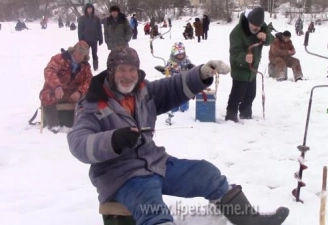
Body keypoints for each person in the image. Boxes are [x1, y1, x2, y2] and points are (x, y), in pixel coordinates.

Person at [67, 46, 289, 225]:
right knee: (152, 209)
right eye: (122, 70)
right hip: (121, 176)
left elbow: (172, 87)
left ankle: (250, 221)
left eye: (132, 70)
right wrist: (113, 140)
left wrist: (202, 73)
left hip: (155, 163)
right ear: (111, 72)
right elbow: (78, 142)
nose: (128, 76)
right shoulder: (92, 103)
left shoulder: (143, 91)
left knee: (207, 173)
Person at [225, 7, 274, 122]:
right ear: (248, 21)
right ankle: (230, 115)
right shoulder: (237, 32)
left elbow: (271, 40)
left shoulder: (262, 27)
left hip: (253, 69)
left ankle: (245, 113)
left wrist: (265, 37)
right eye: (253, 25)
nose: (256, 28)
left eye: (258, 27)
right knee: (237, 94)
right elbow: (234, 52)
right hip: (240, 68)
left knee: (251, 94)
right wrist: (244, 57)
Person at [39, 41, 92, 133]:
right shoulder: (59, 59)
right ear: (73, 51)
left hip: (71, 94)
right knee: (46, 96)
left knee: (89, 99)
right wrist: (57, 86)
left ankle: (81, 125)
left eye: (83, 55)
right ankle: (53, 126)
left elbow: (89, 80)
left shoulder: (85, 66)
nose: (80, 57)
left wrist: (79, 92)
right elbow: (49, 71)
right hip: (54, 91)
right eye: (79, 53)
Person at [166, 42, 194, 112]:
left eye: (182, 54)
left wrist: (191, 69)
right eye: (179, 54)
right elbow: (167, 71)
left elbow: (192, 69)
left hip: (185, 83)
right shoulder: (171, 62)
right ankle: (173, 108)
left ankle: (184, 108)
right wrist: (168, 70)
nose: (181, 56)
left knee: (184, 96)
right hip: (174, 83)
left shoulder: (187, 61)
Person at [78, 3, 103, 71]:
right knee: (85, 54)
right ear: (86, 9)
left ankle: (96, 68)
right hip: (85, 40)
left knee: (94, 53)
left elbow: (99, 29)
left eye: (91, 8)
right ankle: (84, 68)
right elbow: (80, 30)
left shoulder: (96, 18)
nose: (90, 9)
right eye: (88, 8)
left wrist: (101, 38)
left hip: (94, 39)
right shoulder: (82, 18)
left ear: (92, 9)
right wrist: (80, 40)